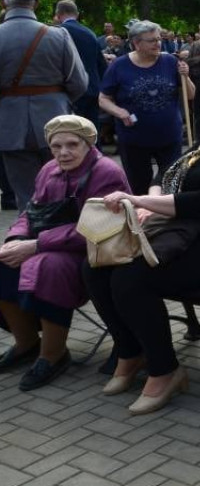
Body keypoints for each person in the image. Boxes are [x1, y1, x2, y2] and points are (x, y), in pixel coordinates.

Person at [86, 78, 200, 414]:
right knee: (96, 268)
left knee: (132, 279)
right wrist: (148, 203)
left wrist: (137, 199)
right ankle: (130, 350)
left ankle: (165, 369)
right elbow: (165, 174)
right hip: (178, 234)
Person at [0, 115, 130, 390]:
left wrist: (35, 244)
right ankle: (27, 344)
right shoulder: (49, 169)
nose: (63, 152)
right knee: (3, 261)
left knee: (49, 267)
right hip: (52, 243)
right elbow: (31, 210)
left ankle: (54, 354)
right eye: (56, 146)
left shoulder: (107, 172)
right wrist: (15, 238)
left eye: (72, 144)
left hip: (98, 251)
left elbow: (98, 228)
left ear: (88, 144)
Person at [0, 0, 88, 211]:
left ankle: (28, 242)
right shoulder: (58, 36)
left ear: (3, 2)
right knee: (63, 189)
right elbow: (79, 82)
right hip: (56, 122)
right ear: (36, 4)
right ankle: (61, 240)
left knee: (26, 196)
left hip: (10, 126)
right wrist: (59, 102)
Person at [99, 20, 194, 196]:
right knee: (139, 186)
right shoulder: (119, 66)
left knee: (171, 183)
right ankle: (143, 219)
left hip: (169, 137)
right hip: (134, 139)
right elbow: (103, 99)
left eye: (158, 39)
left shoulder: (170, 61)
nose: (157, 43)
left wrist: (186, 77)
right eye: (151, 40)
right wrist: (119, 112)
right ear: (136, 43)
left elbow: (190, 95)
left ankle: (168, 220)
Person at [53, 0, 106, 127]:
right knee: (92, 131)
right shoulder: (90, 33)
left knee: (72, 133)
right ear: (76, 14)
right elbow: (101, 64)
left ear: (58, 15)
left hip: (70, 92)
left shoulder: (57, 33)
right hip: (92, 89)